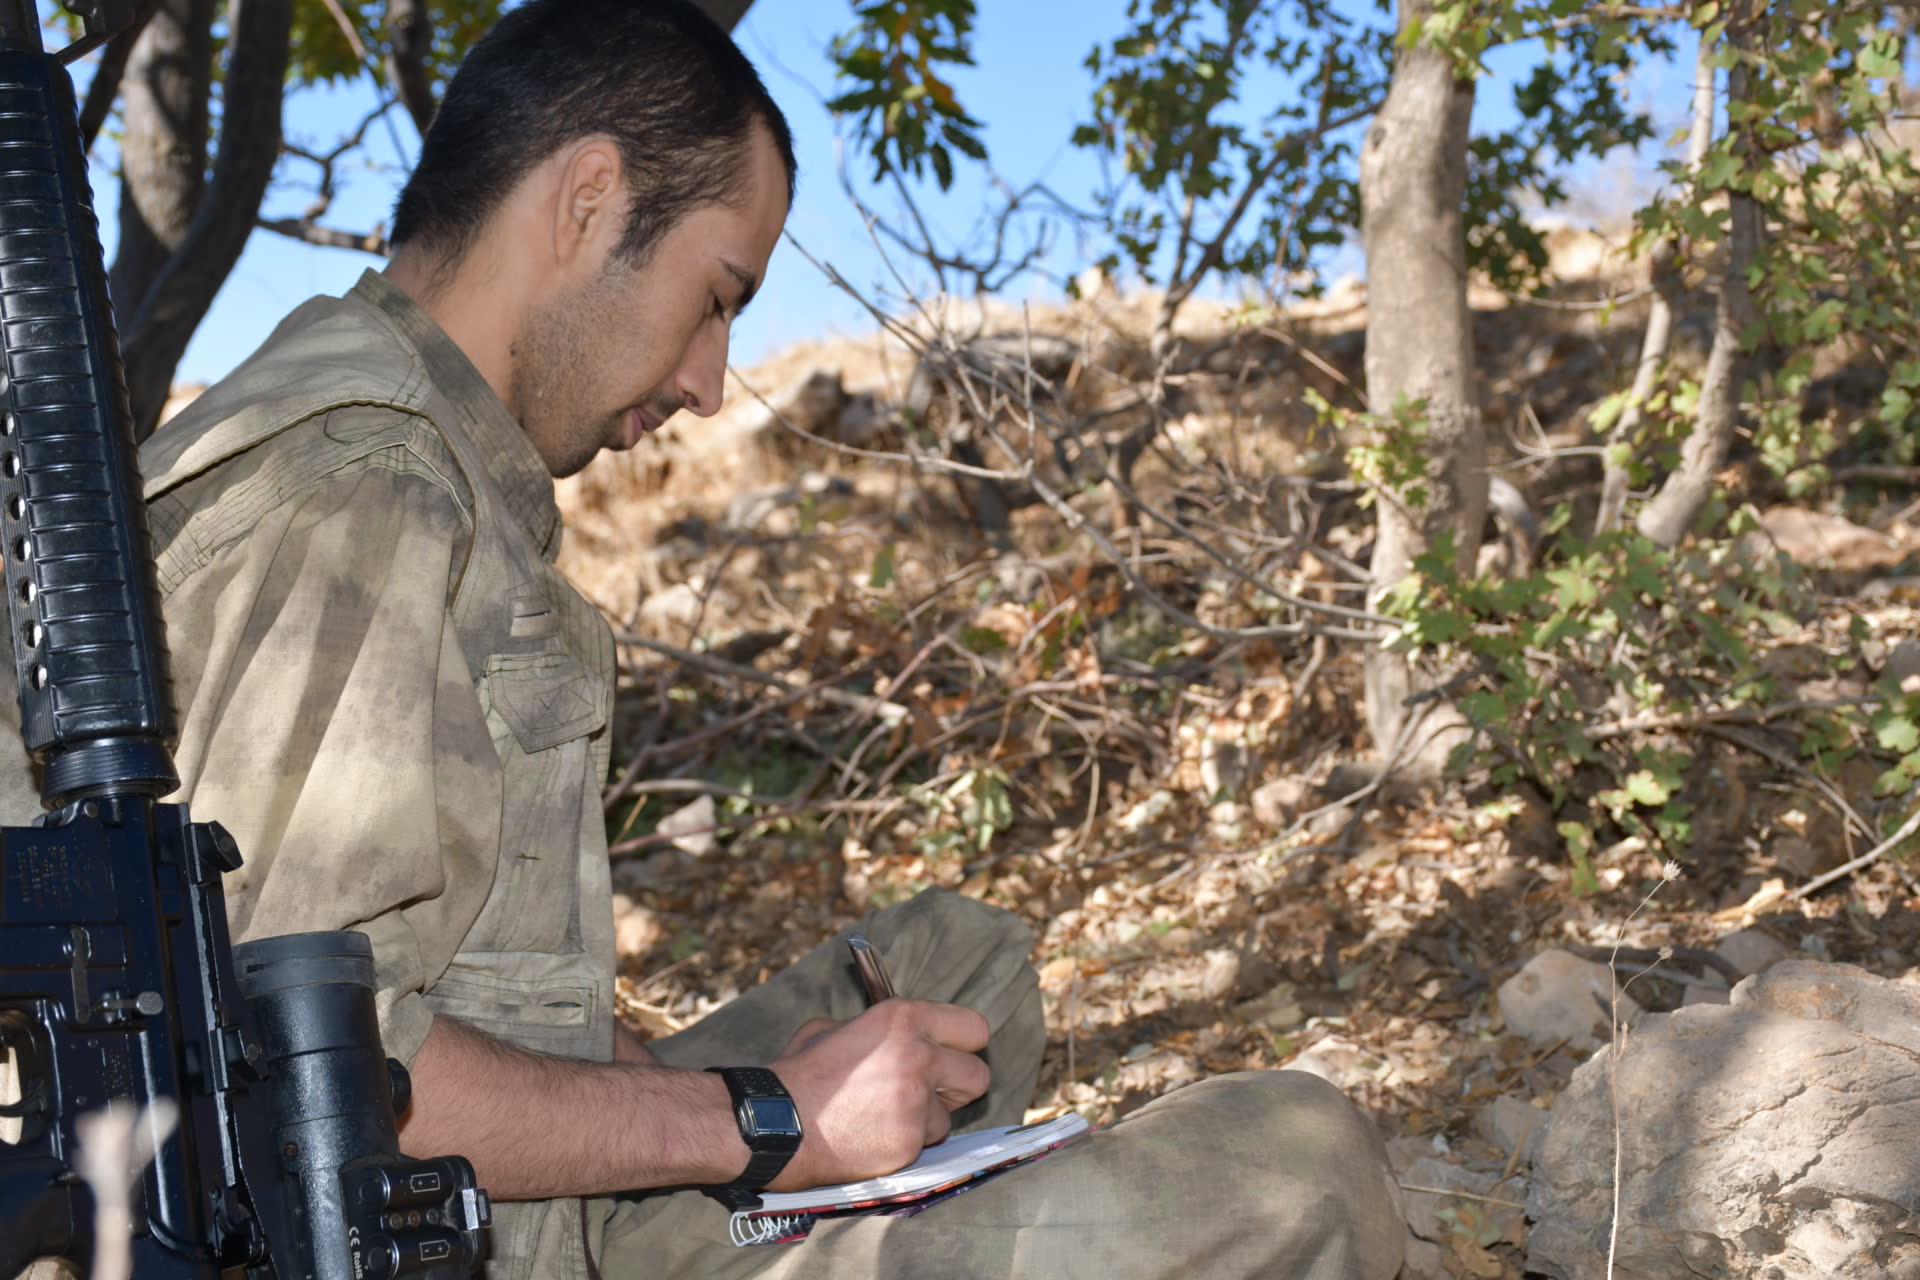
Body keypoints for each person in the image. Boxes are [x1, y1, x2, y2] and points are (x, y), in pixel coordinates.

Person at [127, 1, 1408, 1276]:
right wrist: (763, 1120)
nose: (707, 380)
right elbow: (297, 1084)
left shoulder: (421, 450)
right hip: (409, 1235)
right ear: (587, 200)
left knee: (957, 967)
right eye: (713, 297)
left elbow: (397, 953)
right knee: (1295, 1165)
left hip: (482, 1193)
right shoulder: (367, 491)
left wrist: (654, 1079)